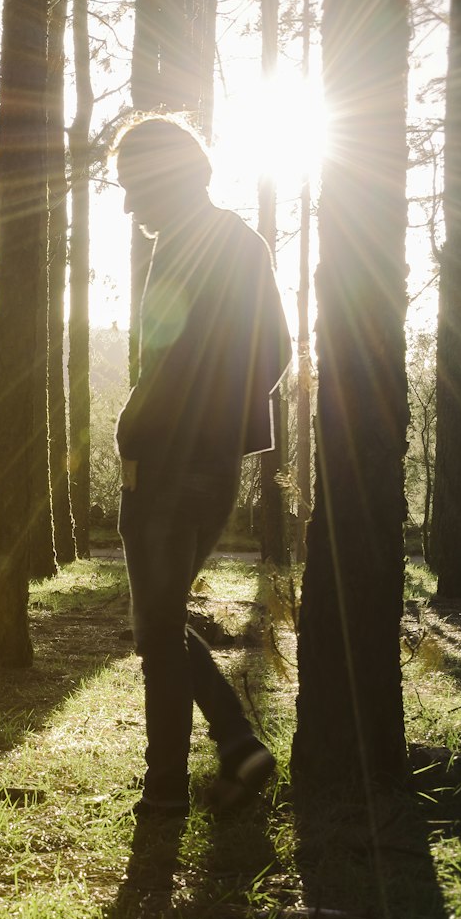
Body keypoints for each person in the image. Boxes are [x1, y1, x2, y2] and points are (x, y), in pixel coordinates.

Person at [113, 115, 292, 818]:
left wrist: (150, 422)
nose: (130, 206)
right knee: (158, 620)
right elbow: (275, 349)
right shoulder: (244, 243)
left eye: (136, 187)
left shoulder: (189, 246)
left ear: (169, 177)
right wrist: (220, 420)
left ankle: (170, 787)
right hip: (215, 467)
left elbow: (171, 360)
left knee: (156, 627)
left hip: (161, 466)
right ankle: (233, 750)